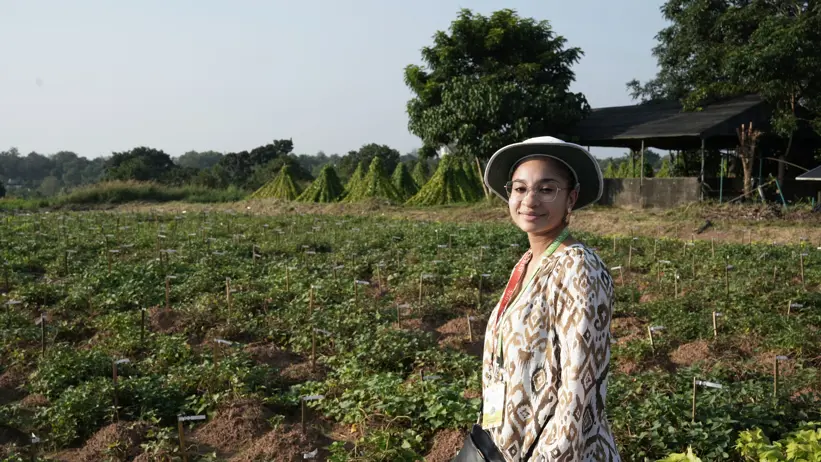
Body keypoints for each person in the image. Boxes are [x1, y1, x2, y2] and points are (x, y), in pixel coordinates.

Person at [480, 136, 621, 461]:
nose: (529, 200)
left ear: (570, 198)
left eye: (546, 189)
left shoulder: (578, 266)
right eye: (519, 188)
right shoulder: (528, 262)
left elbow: (577, 394)